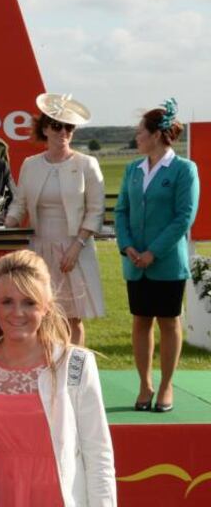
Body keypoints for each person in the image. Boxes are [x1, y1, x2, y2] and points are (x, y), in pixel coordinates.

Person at [0, 249, 115, 505]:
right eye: (7, 301)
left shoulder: (75, 364)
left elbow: (98, 455)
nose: (17, 312)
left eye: (29, 302)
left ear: (46, 306)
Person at [114, 99, 199, 413]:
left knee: (168, 321)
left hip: (166, 263)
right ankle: (145, 384)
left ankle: (166, 386)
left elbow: (183, 217)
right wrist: (128, 246)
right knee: (141, 320)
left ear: (156, 135)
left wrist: (153, 252)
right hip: (135, 262)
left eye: (140, 132)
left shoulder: (184, 170)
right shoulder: (132, 169)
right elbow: (121, 211)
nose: (136, 137)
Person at [4, 93, 105, 346]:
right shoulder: (30, 164)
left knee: (72, 318)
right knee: (42, 314)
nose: (63, 132)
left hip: (74, 248)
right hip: (39, 248)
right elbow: (20, 203)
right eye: (57, 126)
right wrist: (5, 225)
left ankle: (73, 367)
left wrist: (76, 246)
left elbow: (95, 211)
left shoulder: (87, 164)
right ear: (45, 129)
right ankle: (47, 364)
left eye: (69, 127)